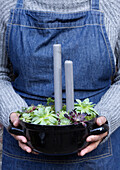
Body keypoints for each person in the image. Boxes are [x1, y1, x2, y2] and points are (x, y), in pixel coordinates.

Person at [0, 0, 120, 169]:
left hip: (96, 154)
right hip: (24, 148)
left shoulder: (112, 4)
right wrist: (13, 114)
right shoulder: (7, 4)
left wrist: (105, 118)